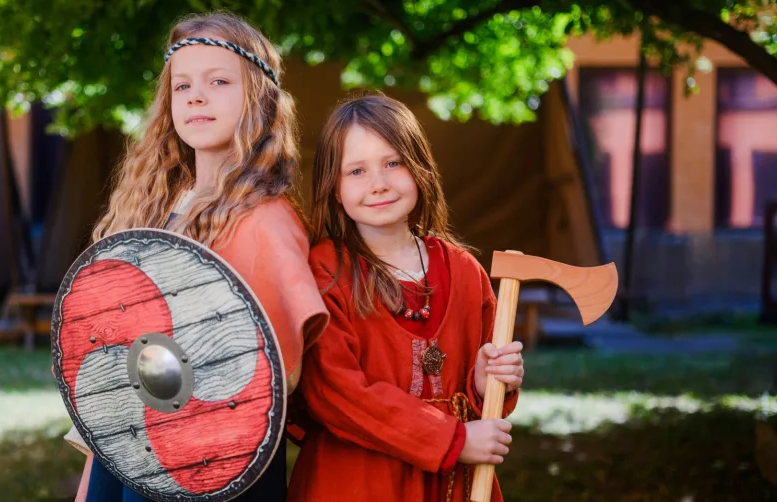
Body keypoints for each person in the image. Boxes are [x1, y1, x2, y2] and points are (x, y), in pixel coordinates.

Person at [61, 11, 329, 502]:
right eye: (182, 86)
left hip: (212, 462)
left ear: (260, 99)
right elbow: (118, 348)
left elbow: (273, 376)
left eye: (218, 81)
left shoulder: (266, 221)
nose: (196, 96)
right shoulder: (161, 208)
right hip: (134, 444)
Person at [287, 94, 525, 502]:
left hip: (450, 486)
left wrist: (485, 386)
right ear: (334, 187)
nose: (378, 183)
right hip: (355, 484)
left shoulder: (465, 271)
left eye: (393, 163)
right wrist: (450, 439)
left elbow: (474, 398)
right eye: (357, 170)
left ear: (420, 167)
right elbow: (335, 393)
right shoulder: (324, 272)